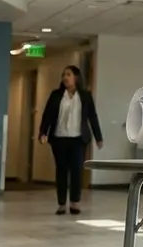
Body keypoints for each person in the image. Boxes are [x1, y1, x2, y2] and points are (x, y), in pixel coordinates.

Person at [38, 65, 103, 215]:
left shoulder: (85, 96)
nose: (65, 78)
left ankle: (75, 202)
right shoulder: (56, 95)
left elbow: (92, 117)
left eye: (68, 74)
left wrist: (98, 137)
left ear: (76, 77)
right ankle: (61, 203)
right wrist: (43, 132)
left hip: (78, 140)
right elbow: (47, 115)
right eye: (63, 75)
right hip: (59, 138)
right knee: (61, 170)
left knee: (76, 170)